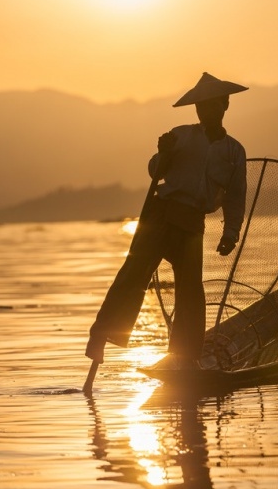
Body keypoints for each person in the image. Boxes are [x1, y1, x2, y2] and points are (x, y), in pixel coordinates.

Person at [84, 72, 248, 371]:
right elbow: (155, 171)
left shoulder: (234, 152)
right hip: (161, 214)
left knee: (190, 291)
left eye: (210, 105)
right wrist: (165, 152)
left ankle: (187, 357)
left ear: (224, 105)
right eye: (200, 106)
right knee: (133, 275)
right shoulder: (181, 136)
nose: (204, 111)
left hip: (192, 223)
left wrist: (231, 233)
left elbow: (235, 197)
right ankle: (101, 336)